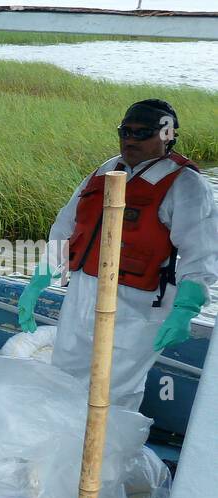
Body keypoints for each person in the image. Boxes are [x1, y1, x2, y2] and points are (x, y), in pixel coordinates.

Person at [18, 98, 218, 412]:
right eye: (125, 131)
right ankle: (61, 451)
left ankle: (108, 456)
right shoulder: (106, 170)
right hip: (83, 291)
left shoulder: (186, 185)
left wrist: (186, 309)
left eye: (142, 133)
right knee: (65, 375)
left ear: (166, 136)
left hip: (138, 305)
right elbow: (65, 226)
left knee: (115, 390)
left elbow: (202, 252)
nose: (130, 139)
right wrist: (39, 279)